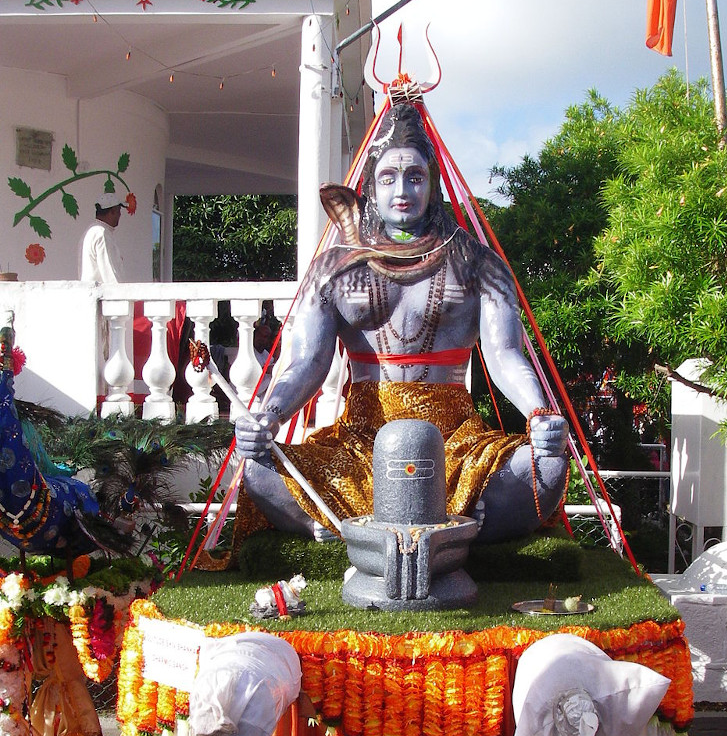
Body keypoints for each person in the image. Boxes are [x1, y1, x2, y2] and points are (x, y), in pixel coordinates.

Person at [235, 103, 569, 543]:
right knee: (259, 464)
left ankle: (357, 525)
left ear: (433, 183)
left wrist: (540, 414)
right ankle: (456, 528)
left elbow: (505, 353)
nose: (402, 190)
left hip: (454, 441)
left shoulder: (476, 262)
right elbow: (306, 361)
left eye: (415, 176)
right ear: (371, 187)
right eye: (388, 178)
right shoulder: (333, 267)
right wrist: (268, 416)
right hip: (359, 440)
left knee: (542, 466)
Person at [79, 191, 127, 282]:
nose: (120, 215)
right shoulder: (102, 234)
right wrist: (123, 295)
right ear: (112, 211)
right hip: (103, 295)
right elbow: (110, 274)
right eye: (118, 211)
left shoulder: (91, 231)